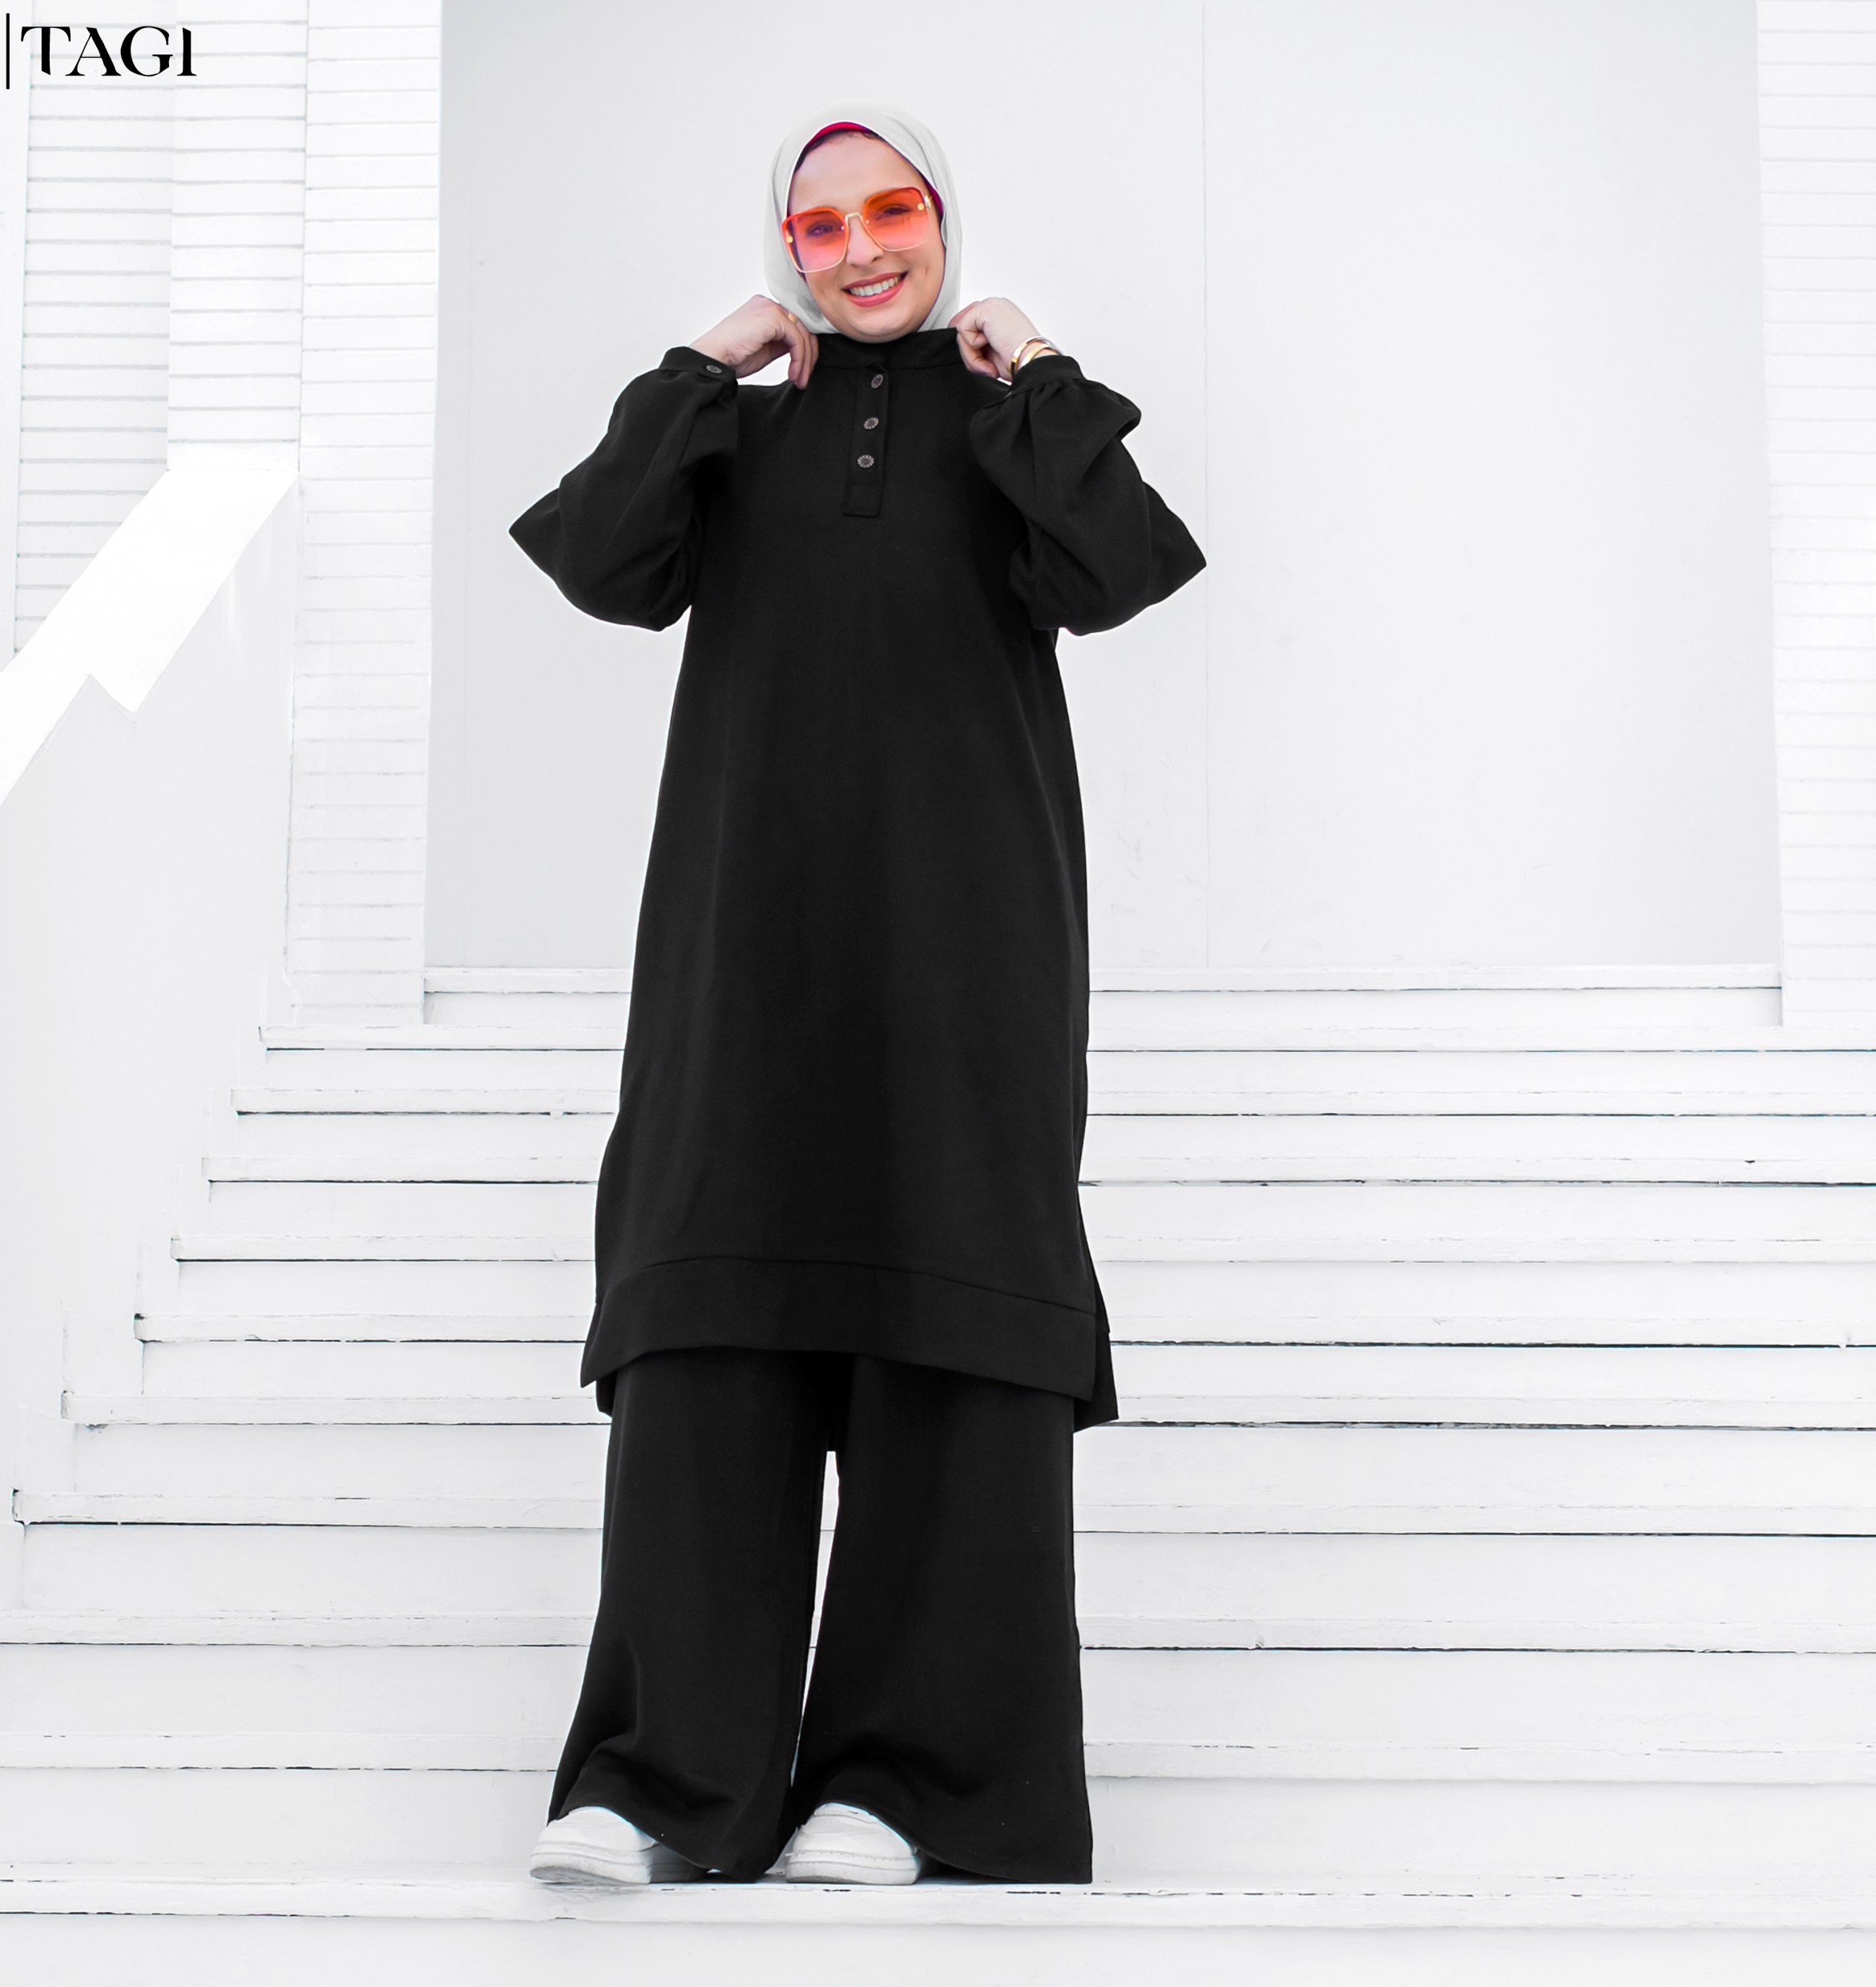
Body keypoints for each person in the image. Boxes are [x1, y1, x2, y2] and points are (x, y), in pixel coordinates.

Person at [508, 100, 1204, 1888]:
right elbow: (599, 563)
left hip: (965, 956)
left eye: (894, 211)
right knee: (709, 1321)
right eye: (820, 227)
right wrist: (704, 362)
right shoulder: (732, 440)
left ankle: (910, 1787)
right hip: (742, 956)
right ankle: (667, 1784)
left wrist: (1035, 367)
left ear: (945, 222)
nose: (861, 248)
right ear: (786, 252)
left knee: (948, 1321)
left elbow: (1122, 568)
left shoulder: (1007, 432)